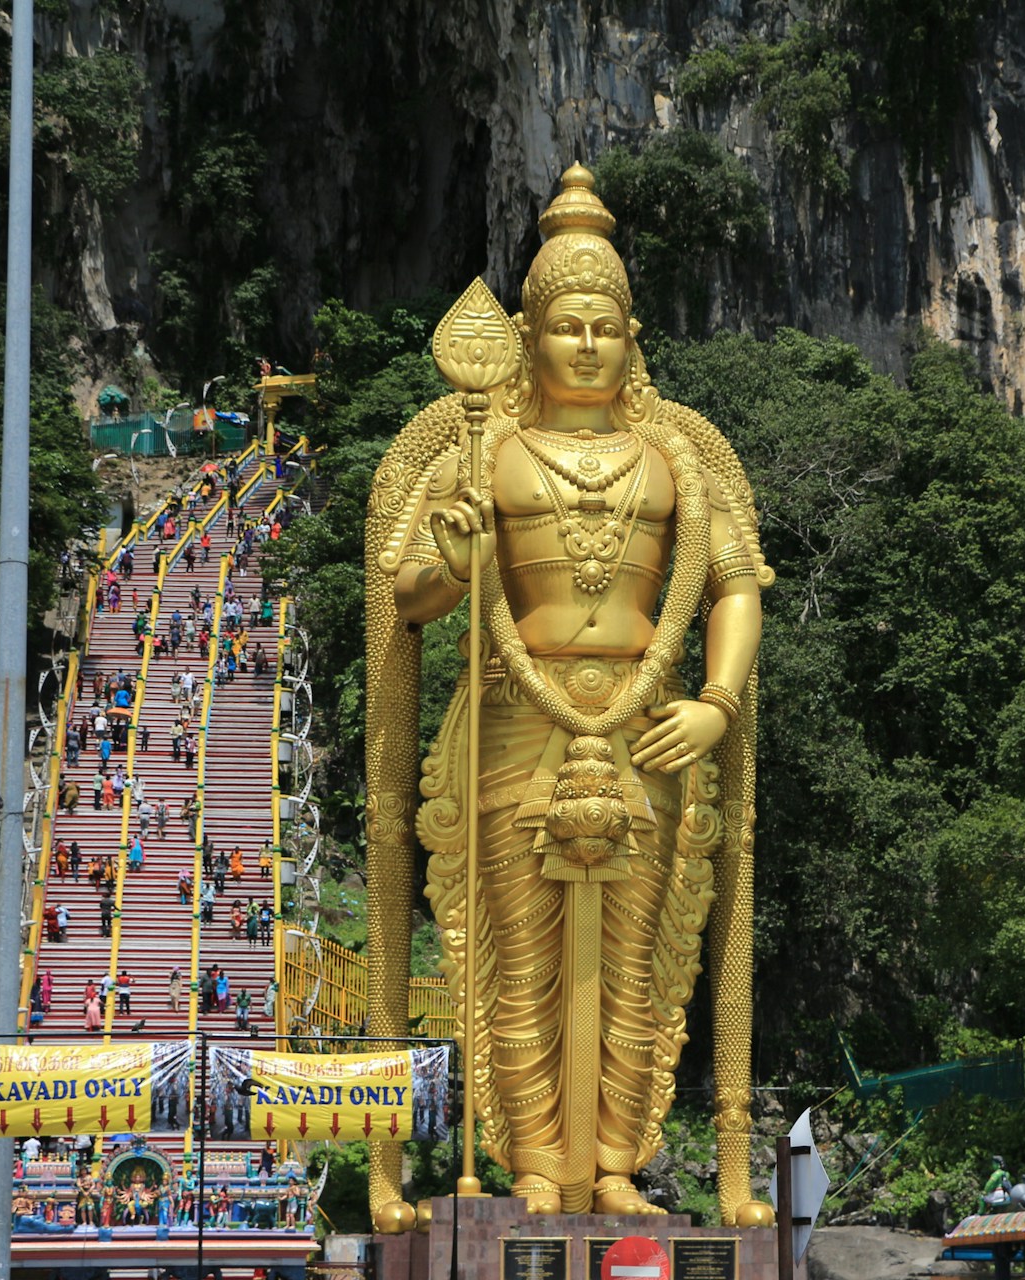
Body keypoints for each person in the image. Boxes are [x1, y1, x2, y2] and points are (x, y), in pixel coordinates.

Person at [365, 165, 771, 1221]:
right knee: (516, 955)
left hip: (650, 723)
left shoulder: (676, 455)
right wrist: (454, 565)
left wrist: (716, 701)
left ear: (631, 337)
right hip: (512, 716)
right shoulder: (482, 449)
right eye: (565, 326)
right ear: (528, 337)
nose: (586, 344)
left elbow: (733, 584)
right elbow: (403, 595)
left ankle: (616, 1165)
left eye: (605, 325)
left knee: (642, 957)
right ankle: (535, 1163)